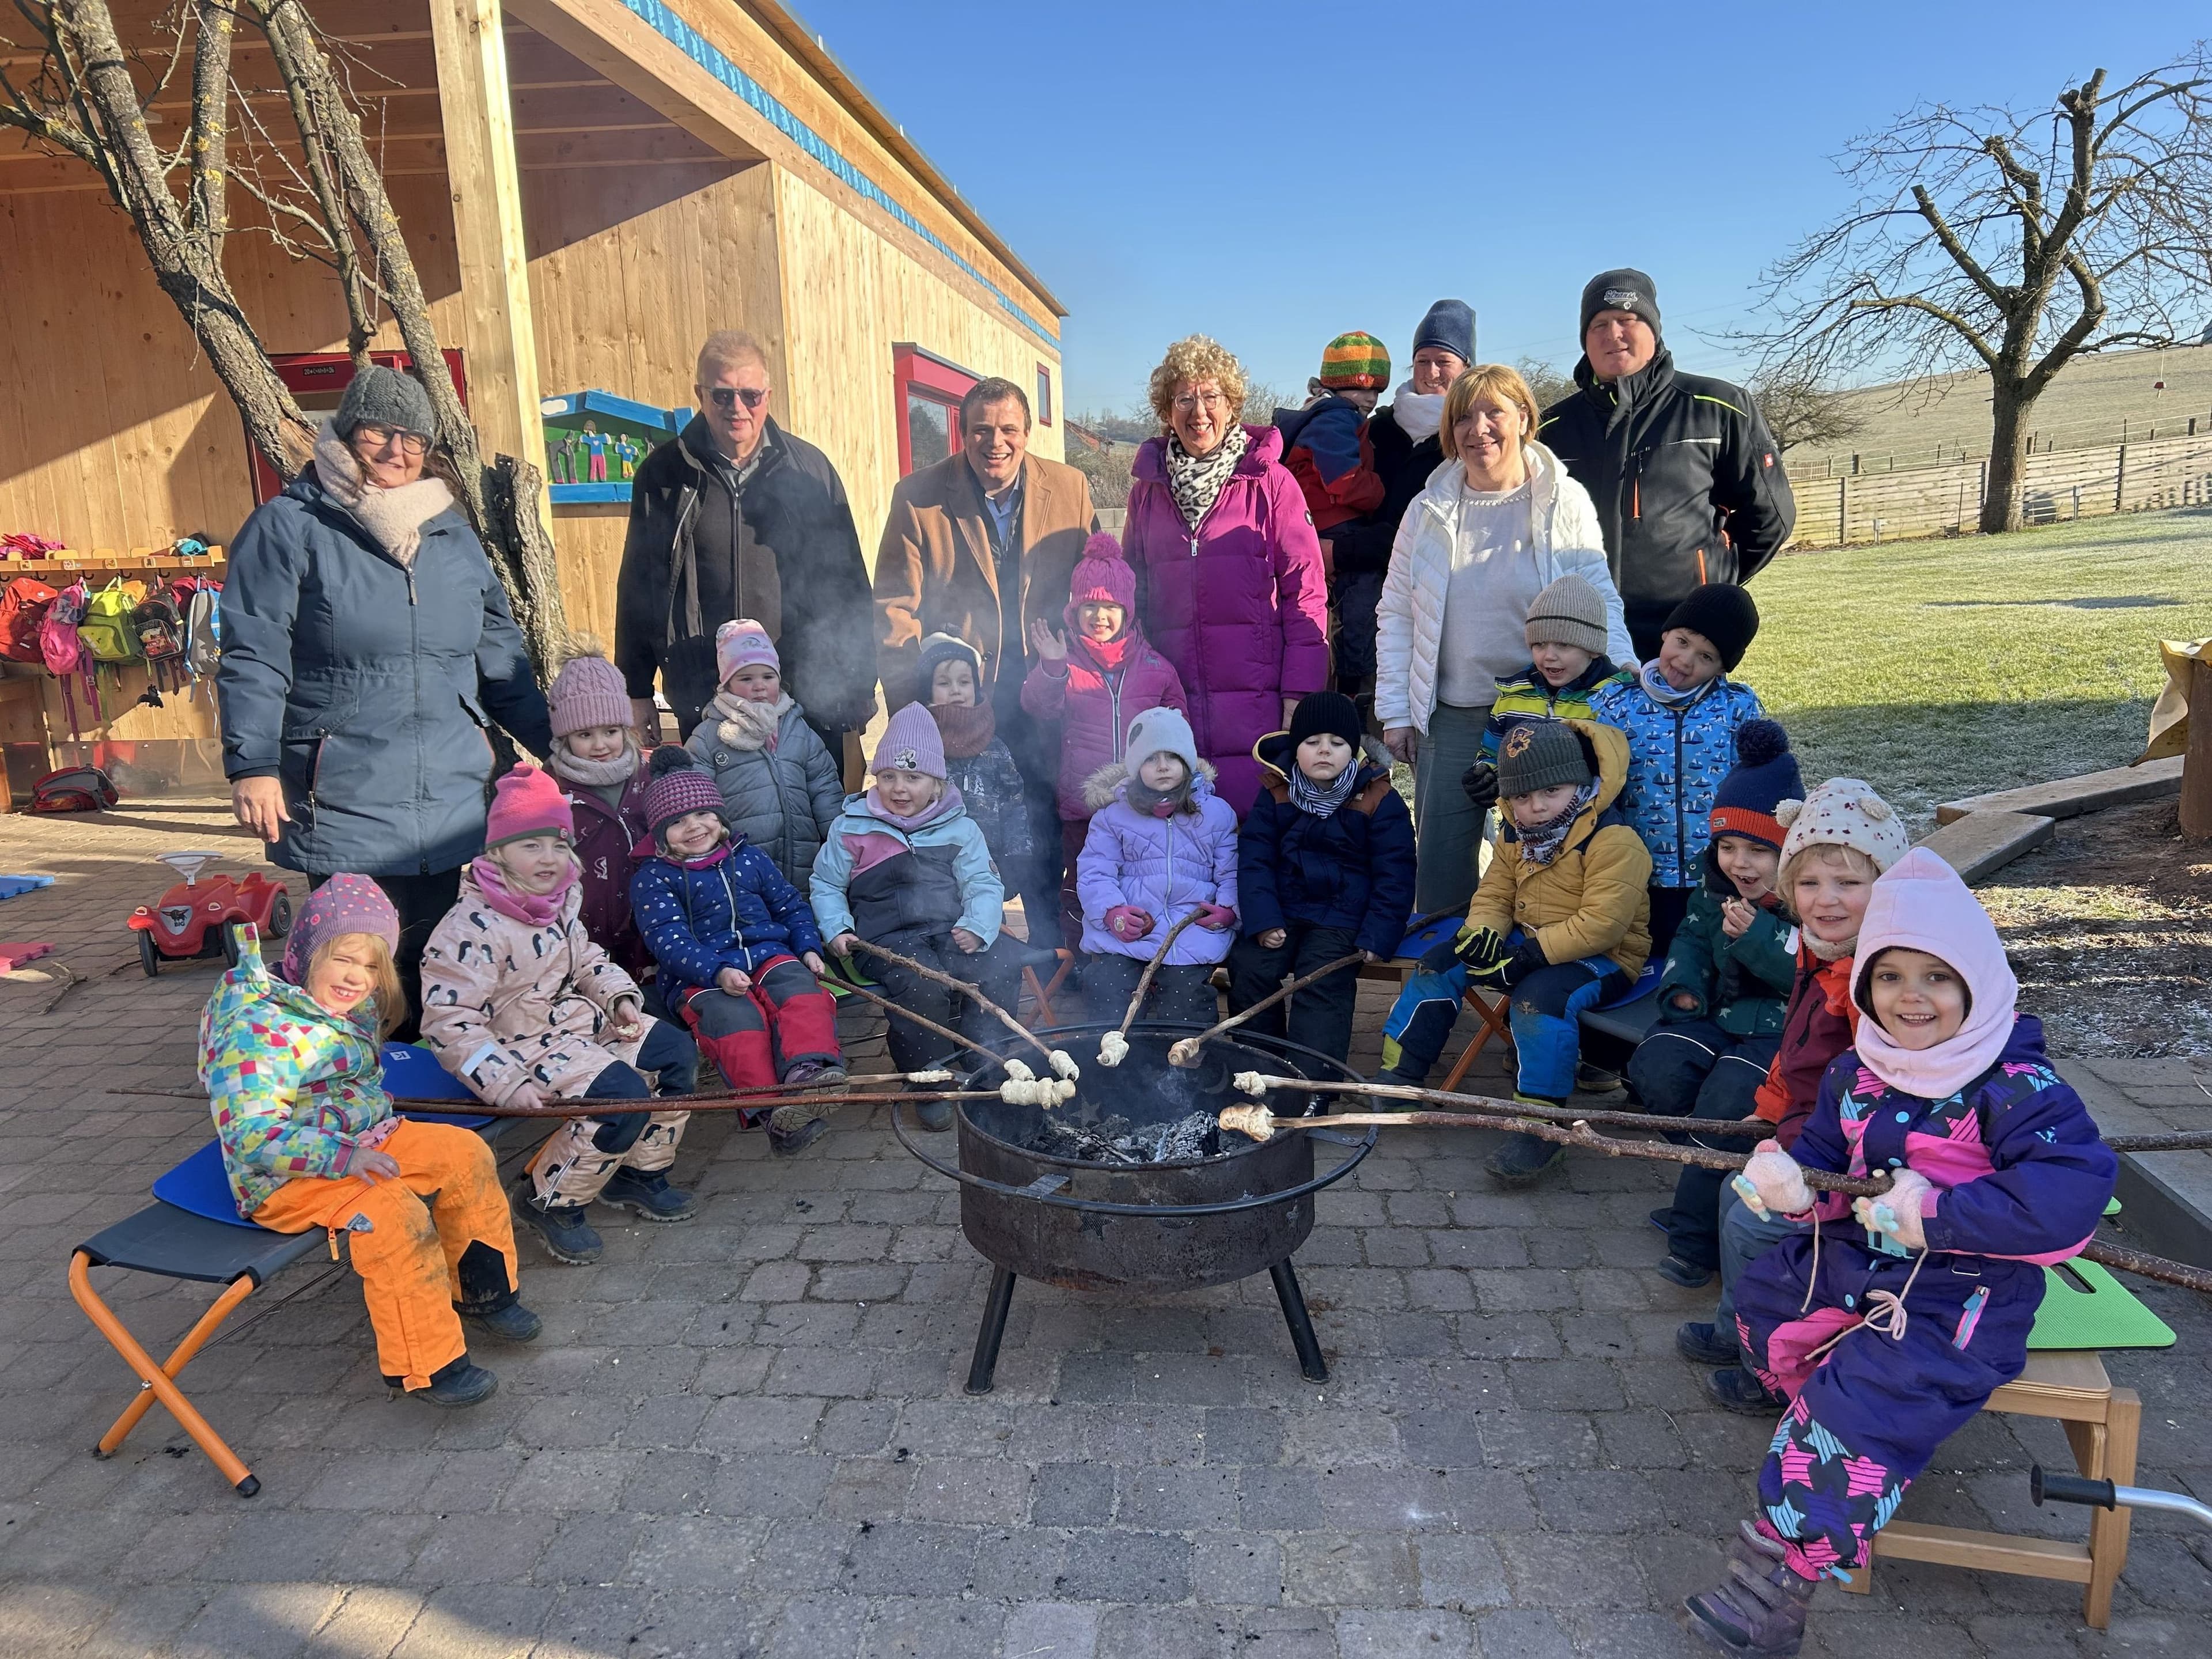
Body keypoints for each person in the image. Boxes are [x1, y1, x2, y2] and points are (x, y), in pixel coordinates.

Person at [1685, 849, 2116, 1657]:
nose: (1911, 999)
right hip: (1860, 1261)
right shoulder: (1860, 1071)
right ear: (1866, 988)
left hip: (1965, 1292)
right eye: (1890, 979)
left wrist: (1939, 1213)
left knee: (1873, 1395)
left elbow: (2070, 1196)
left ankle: (1778, 1583)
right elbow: (1822, 1152)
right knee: (1767, 1295)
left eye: (1935, 979)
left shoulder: (2017, 1085)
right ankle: (1822, 1428)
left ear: (1977, 984)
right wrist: (1793, 1182)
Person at [219, 365, 554, 1032]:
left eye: (415, 440)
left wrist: (564, 747)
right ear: (346, 430)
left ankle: (436, 1096)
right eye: (381, 433)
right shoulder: (289, 528)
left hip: (453, 792)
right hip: (345, 795)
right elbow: (253, 652)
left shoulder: (452, 535)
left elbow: (502, 662)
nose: (398, 452)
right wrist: (252, 765)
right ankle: (347, 1091)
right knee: (358, 967)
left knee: (445, 960)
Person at [199, 877, 538, 1408]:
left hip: (361, 1140)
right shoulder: (256, 1028)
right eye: (344, 959)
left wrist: (359, 1141)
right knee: (392, 1215)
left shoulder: (344, 1009)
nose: (358, 978)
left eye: (374, 965)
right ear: (309, 951)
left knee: (463, 1153)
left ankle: (482, 1292)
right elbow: (250, 1134)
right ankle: (425, 1365)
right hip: (286, 1174)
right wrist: (345, 1157)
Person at [1680, 778, 1910, 1412]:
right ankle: (1742, 1333)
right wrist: (1771, 1110)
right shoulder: (1819, 949)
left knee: (1757, 1225)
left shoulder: (1883, 975)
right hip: (1807, 1128)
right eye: (1809, 884)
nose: (1826, 900)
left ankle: (1773, 1371)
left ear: (1883, 885)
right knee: (1735, 1195)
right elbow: (1797, 1051)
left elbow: (1885, 1095)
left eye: (1847, 884)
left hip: (1860, 1157)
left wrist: (1826, 1164)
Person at [1374, 363, 1634, 916]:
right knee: (1442, 865)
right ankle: (1444, 987)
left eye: (1494, 411)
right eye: (1463, 417)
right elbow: (1396, 611)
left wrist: (1625, 669)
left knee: (1546, 859)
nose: (1479, 429)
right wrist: (1396, 709)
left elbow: (1596, 594)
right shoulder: (1426, 511)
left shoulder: (1565, 501)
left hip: (1546, 711)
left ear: (1523, 418)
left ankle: (1524, 990)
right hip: (1453, 710)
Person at [419, 766, 703, 1264]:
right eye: (531, 846)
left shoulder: (558, 900)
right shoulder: (470, 927)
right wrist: (503, 1082)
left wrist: (617, 995)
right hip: (514, 1047)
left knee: (675, 1053)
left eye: (557, 844)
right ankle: (549, 1200)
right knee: (621, 1095)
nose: (549, 858)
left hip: (572, 1025)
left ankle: (639, 1172)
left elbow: (586, 956)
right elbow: (448, 1021)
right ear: (498, 851)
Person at [873, 376, 1097, 948]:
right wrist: (914, 715)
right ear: (963, 432)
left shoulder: (1070, 488)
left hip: (1043, 696)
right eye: (981, 430)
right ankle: (961, 957)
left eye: (1007, 431)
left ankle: (1049, 954)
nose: (994, 442)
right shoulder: (918, 496)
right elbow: (895, 608)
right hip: (958, 698)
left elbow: (1094, 586)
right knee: (957, 829)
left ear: (1026, 433)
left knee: (1042, 824)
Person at [1377, 720, 1650, 1187]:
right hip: (1528, 941)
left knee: (1537, 999)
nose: (1536, 806)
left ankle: (1541, 1127)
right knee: (1440, 963)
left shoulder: (1614, 840)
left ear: (1581, 784)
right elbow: (1495, 895)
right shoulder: (1514, 835)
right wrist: (1483, 933)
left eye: (1551, 791)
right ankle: (1400, 1079)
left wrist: (1528, 957)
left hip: (1604, 958)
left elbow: (1603, 925)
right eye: (1521, 797)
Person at [615, 329, 877, 746]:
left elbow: (850, 580)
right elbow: (638, 586)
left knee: (815, 810)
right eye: (722, 395)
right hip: (706, 696)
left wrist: (861, 679)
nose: (737, 408)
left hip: (805, 691)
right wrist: (636, 690)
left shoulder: (811, 472)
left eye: (750, 395)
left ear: (767, 395)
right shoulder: (663, 476)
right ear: (699, 393)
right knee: (716, 814)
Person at [1537, 269, 1796, 660]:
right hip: (1581, 642)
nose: (1614, 334)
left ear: (1654, 330)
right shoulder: (1550, 430)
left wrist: (1710, 584)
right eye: (1599, 325)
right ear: (1584, 339)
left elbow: (1770, 516)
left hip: (1683, 640)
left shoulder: (1720, 407)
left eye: (1628, 320)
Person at [1122, 335, 1330, 813]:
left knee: (1255, 847)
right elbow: (1135, 599)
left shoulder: (1271, 482)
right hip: (1173, 704)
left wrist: (1299, 694)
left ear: (1232, 405)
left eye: (1212, 396)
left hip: (1260, 703)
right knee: (1183, 853)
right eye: (1184, 398)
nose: (1199, 412)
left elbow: (1306, 596)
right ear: (1166, 410)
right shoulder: (1147, 493)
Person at [1629, 721, 1802, 1289]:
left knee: (1729, 1107)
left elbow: (1804, 977)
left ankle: (1695, 1244)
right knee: (1658, 1067)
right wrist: (1685, 992)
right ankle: (1701, 1188)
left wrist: (1755, 938)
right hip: (1717, 1014)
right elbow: (1690, 942)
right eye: (1728, 847)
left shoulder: (1810, 902)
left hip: (1780, 1033)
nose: (1740, 863)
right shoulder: (1718, 888)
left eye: (1759, 850)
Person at [812, 703, 1020, 1130]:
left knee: (1001, 965)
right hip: (882, 938)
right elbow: (827, 884)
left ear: (936, 782)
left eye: (913, 777)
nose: (899, 789)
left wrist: (978, 926)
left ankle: (985, 1059)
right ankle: (927, 1078)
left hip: (950, 931)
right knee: (923, 985)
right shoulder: (852, 827)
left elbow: (982, 882)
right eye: (888, 777)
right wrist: (837, 928)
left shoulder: (959, 827)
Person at [631, 748, 843, 1154]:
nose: (694, 827)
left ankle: (807, 1073)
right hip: (701, 975)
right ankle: (773, 1113)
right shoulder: (654, 878)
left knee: (801, 992)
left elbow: (790, 906)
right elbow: (667, 940)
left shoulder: (749, 858)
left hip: (768, 955)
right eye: (677, 822)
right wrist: (715, 972)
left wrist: (809, 947)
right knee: (737, 1021)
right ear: (659, 835)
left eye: (703, 814)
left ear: (721, 818)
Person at [1230, 693, 1415, 1067]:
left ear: (1356, 751)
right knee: (1250, 968)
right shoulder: (1276, 793)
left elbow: (1395, 873)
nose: (1324, 751)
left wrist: (1378, 933)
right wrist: (1264, 920)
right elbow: (1255, 861)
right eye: (1312, 742)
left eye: (1337, 743)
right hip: (1284, 909)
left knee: (1322, 982)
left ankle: (1311, 1084)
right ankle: (1261, 1070)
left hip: (1343, 917)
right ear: (1295, 749)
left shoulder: (1379, 798)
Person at [1020, 534, 1187, 941]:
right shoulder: (1065, 660)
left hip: (1142, 806)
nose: (1099, 616)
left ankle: (1136, 958)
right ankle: (1081, 963)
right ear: (1074, 610)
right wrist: (1053, 668)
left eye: (1110, 606)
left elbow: (1179, 731)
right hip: (1083, 806)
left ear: (1126, 611)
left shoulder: (1155, 667)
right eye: (1089, 606)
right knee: (1081, 886)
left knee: (1137, 883)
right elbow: (1038, 707)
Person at [1590, 583, 1765, 955]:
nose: (1685, 661)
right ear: (1666, 633)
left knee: (1705, 958)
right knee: (1646, 958)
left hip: (1716, 873)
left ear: (1722, 667)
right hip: (1638, 869)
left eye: (1706, 657)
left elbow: (1761, 779)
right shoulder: (1617, 703)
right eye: (1682, 642)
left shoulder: (1737, 708)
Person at [1325, 300, 1474, 703]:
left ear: (1466, 367)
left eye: (1444, 360)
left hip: (1442, 604)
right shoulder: (1379, 429)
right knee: (1370, 722)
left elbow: (1432, 529)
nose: (1431, 373)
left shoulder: (1472, 436)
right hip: (1367, 603)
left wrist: (1337, 551)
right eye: (1422, 361)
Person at [1075, 707, 1239, 1028]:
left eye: (1173, 757)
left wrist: (1228, 910)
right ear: (1136, 766)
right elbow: (1096, 871)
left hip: (1191, 931)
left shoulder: (1217, 814)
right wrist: (1112, 913)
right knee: (1107, 988)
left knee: (1185, 1000)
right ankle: (1118, 1067)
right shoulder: (1113, 817)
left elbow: (1232, 871)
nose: (1163, 767)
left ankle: (1182, 1073)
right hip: (1128, 931)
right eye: (1151, 759)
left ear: (1188, 761)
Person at [683, 618, 843, 892]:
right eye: (746, 678)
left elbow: (824, 787)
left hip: (801, 861)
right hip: (738, 862)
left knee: (800, 917)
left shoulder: (798, 729)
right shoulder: (709, 737)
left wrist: (841, 840)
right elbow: (695, 802)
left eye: (768, 677)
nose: (759, 686)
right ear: (727, 684)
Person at [1460, 573, 1634, 817]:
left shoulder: (1615, 698)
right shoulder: (1514, 695)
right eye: (1539, 644)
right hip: (1524, 829)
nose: (1548, 656)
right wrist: (1486, 777)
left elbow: (1627, 766)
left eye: (1563, 645)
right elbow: (1493, 752)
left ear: (1593, 650)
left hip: (1592, 826)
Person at [544, 634, 653, 977]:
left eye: (610, 731)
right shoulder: (551, 787)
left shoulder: (646, 775)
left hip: (647, 919)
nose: (600, 745)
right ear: (565, 736)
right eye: (585, 735)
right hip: (584, 925)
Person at [919, 632, 1032, 883]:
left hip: (988, 865)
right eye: (944, 684)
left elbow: (1013, 803)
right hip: (932, 869)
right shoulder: (922, 742)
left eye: (964, 681)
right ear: (928, 690)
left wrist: (1016, 858)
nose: (956, 691)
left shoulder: (994, 746)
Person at [1272, 331, 1389, 547]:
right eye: (1362, 388)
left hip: (1322, 518)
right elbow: (1343, 478)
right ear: (1337, 386)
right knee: (1365, 575)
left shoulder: (1328, 415)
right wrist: (1379, 491)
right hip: (1333, 523)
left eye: (1377, 390)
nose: (1371, 398)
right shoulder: (1335, 419)